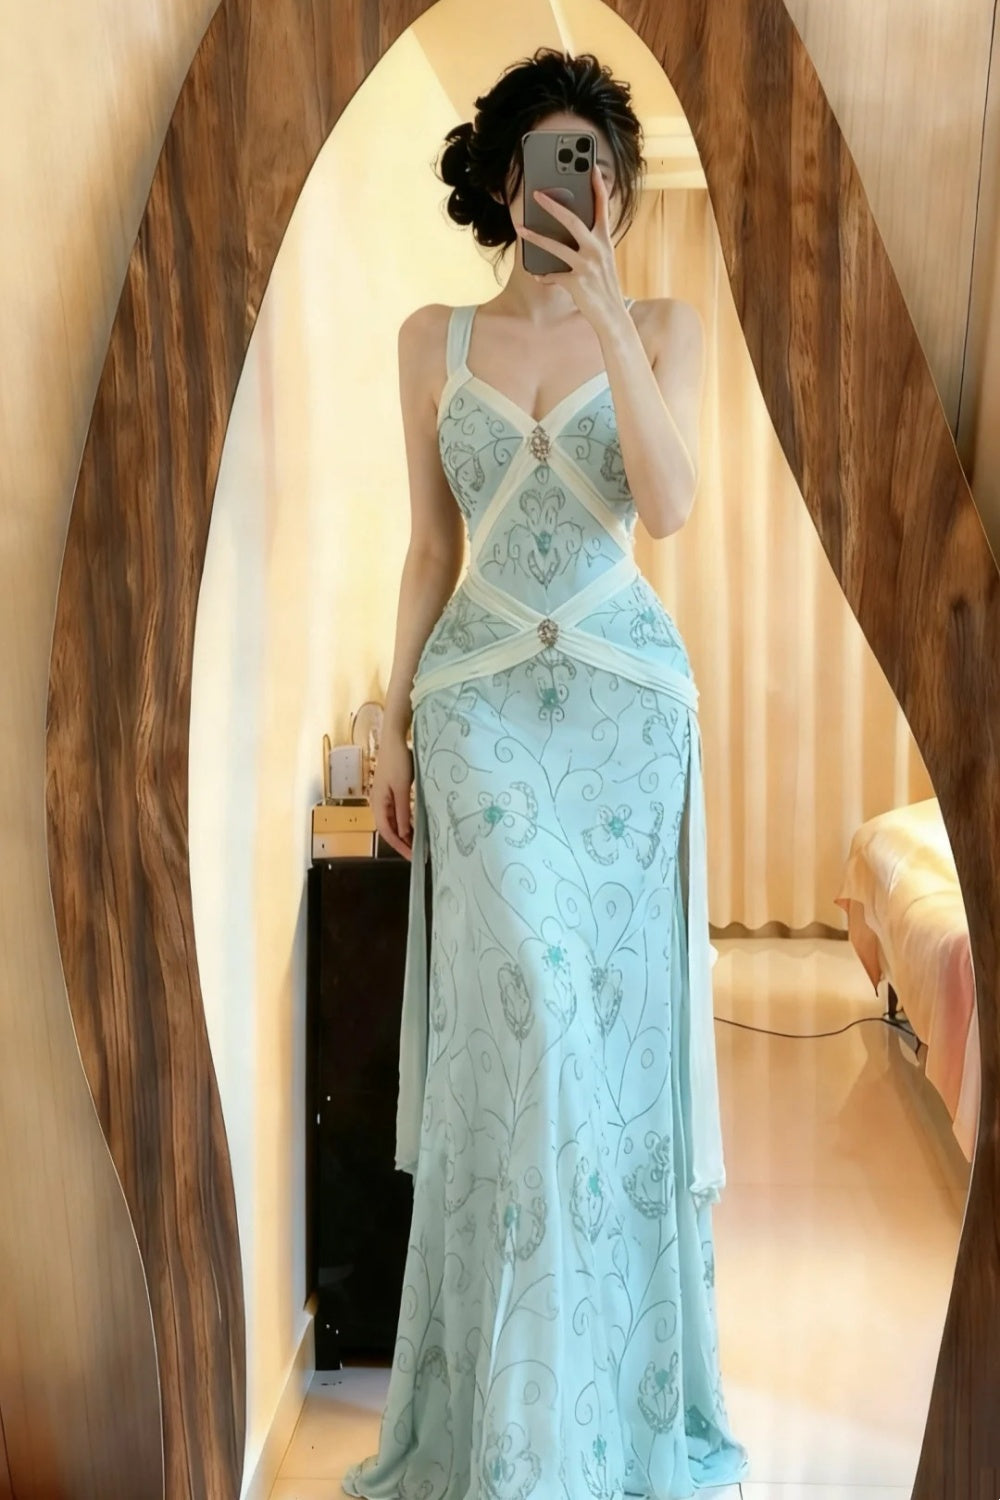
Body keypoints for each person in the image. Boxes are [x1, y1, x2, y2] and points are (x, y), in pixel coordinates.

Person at [343, 46, 748, 1500]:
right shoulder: (429, 340)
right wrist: (391, 725)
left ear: (618, 190)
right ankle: (512, 1431)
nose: (581, 185)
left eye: (602, 165)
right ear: (504, 177)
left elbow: (672, 504)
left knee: (606, 1066)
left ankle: (602, 1417)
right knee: (529, 1028)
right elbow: (428, 550)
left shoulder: (666, 323)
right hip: (477, 712)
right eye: (556, 159)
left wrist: (612, 318)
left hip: (629, 724)